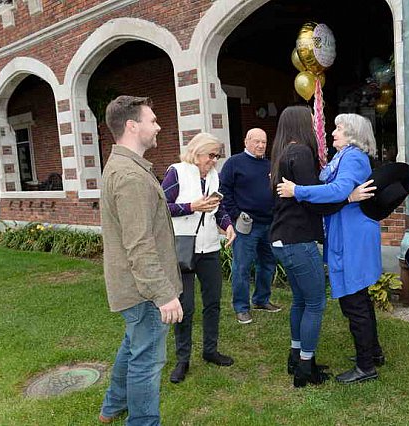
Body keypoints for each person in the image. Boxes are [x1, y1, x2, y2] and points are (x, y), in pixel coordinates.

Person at [269, 106, 374, 387]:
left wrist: (302, 191)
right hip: (299, 238)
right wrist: (346, 197)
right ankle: (305, 366)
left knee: (345, 300)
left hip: (328, 237)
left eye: (338, 129)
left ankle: (361, 360)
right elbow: (330, 193)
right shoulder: (306, 153)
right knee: (317, 302)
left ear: (352, 135)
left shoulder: (344, 157)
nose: (329, 131)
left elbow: (332, 191)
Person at [99, 95, 183, 424]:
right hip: (143, 290)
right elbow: (139, 245)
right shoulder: (130, 177)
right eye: (152, 120)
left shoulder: (126, 167)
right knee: (146, 361)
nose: (158, 126)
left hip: (135, 287)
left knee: (134, 344)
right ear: (133, 126)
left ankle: (112, 407)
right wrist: (163, 295)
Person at [161, 132, 237, 384]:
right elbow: (161, 207)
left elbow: (219, 209)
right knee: (186, 307)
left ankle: (210, 350)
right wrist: (190, 207)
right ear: (196, 152)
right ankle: (183, 360)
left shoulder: (213, 176)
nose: (214, 161)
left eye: (217, 156)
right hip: (184, 247)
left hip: (210, 248)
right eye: (210, 155)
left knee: (213, 301)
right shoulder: (177, 171)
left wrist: (227, 226)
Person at [219, 128, 279, 325]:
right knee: (242, 267)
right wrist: (235, 215)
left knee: (268, 264)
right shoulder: (234, 163)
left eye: (264, 141)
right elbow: (224, 191)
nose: (261, 145)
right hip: (246, 226)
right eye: (256, 141)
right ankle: (241, 308)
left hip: (269, 224)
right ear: (246, 141)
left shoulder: (270, 165)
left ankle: (261, 300)